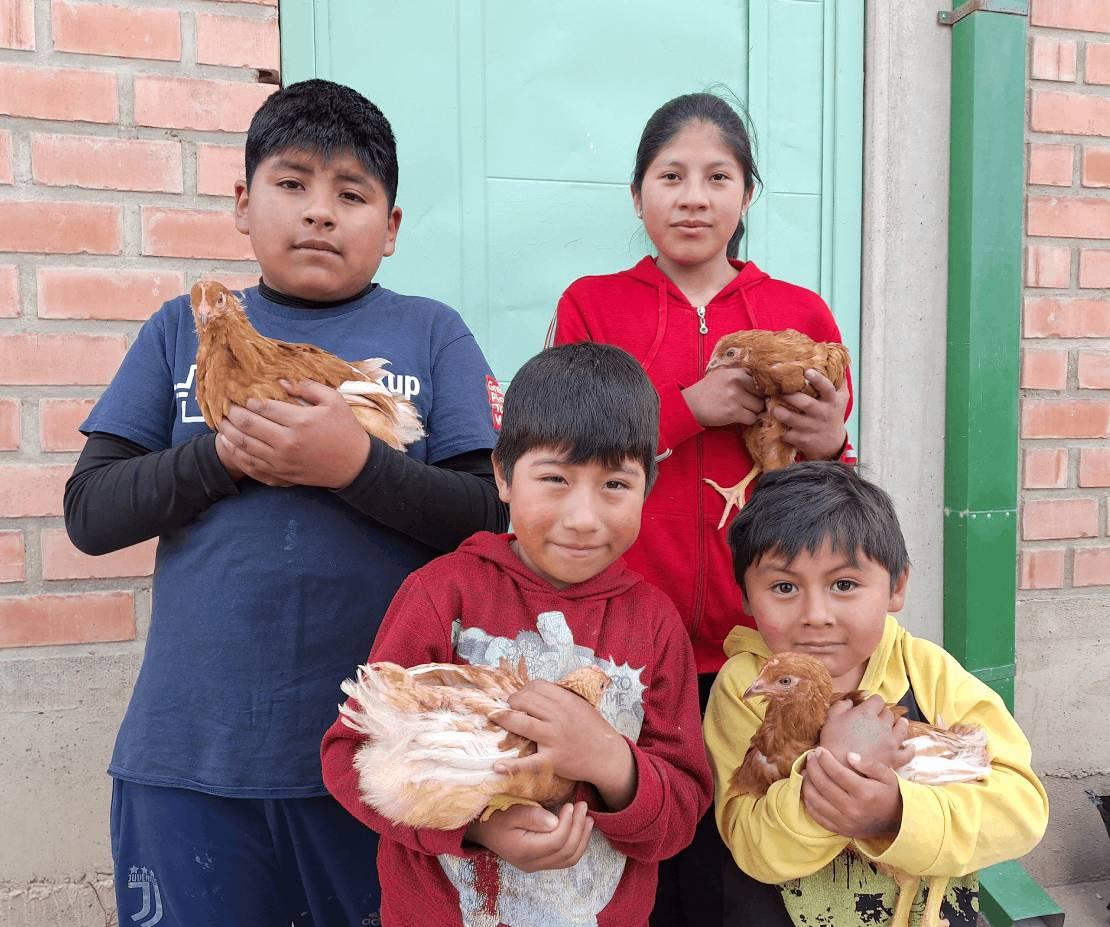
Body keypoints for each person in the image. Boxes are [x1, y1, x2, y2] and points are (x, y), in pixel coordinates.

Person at [63, 79, 507, 926]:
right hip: (190, 760)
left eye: (352, 194)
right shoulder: (181, 331)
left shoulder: (431, 333)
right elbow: (91, 512)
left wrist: (354, 465)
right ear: (242, 202)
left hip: (383, 759)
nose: (320, 213)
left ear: (393, 226)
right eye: (292, 183)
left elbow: (490, 517)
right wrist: (227, 453)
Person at [549, 91, 855, 923]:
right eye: (671, 175)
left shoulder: (800, 314)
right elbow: (564, 447)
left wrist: (832, 443)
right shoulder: (591, 305)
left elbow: (834, 498)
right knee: (630, 861)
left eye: (718, 176)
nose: (694, 195)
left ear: (746, 194)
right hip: (622, 648)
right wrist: (688, 405)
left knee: (742, 871)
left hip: (757, 655)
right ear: (637, 193)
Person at [321, 342, 713, 926]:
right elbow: (350, 756)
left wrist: (609, 761)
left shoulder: (654, 623)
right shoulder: (442, 595)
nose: (583, 517)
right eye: (554, 478)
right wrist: (477, 826)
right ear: (503, 475)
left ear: (647, 488)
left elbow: (681, 813)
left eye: (615, 486)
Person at [704, 462, 1049, 926]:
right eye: (784, 586)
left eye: (844, 584)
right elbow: (751, 844)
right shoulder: (744, 687)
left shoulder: (928, 670)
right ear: (746, 595)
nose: (816, 614)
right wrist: (825, 782)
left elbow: (1022, 809)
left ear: (896, 586)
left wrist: (896, 814)